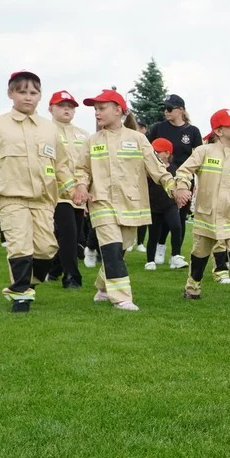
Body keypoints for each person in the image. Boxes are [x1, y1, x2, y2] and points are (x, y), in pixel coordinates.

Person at [0, 71, 76, 313]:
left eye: (33, 93)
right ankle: (21, 294)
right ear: (10, 93)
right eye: (22, 92)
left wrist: (73, 190)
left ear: (40, 96)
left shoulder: (50, 129)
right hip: (10, 197)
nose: (28, 97)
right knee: (20, 245)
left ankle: (28, 282)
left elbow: (62, 165)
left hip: (44, 200)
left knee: (46, 249)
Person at [71, 89, 176, 311]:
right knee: (110, 247)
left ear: (118, 110)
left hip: (132, 204)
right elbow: (82, 169)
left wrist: (172, 187)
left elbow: (156, 168)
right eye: (95, 110)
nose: (97, 113)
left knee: (120, 250)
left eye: (102, 108)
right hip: (101, 201)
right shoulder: (92, 141)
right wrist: (81, 186)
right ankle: (121, 297)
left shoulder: (138, 139)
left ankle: (102, 286)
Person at [173, 109, 230, 305]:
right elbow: (184, 171)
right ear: (218, 130)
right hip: (207, 214)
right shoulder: (203, 152)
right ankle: (192, 287)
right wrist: (181, 187)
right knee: (200, 254)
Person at [146, 93, 204, 264]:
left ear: (180, 110)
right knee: (164, 215)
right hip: (161, 179)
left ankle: (176, 255)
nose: (166, 111)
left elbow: (199, 157)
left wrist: (197, 182)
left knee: (180, 217)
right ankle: (161, 245)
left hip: (184, 180)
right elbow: (147, 152)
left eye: (169, 108)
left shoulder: (192, 132)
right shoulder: (158, 128)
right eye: (164, 108)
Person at [45, 90, 87, 288]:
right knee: (68, 233)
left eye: (70, 106)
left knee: (74, 234)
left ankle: (53, 269)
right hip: (56, 193)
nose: (67, 109)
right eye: (62, 105)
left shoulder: (83, 134)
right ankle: (71, 276)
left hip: (78, 194)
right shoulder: (44, 131)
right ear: (51, 108)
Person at [144, 138, 186, 271]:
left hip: (170, 205)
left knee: (176, 226)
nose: (154, 155)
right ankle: (150, 260)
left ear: (167, 154)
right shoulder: (149, 169)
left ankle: (176, 256)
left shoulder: (175, 170)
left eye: (157, 152)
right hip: (154, 206)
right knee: (153, 234)